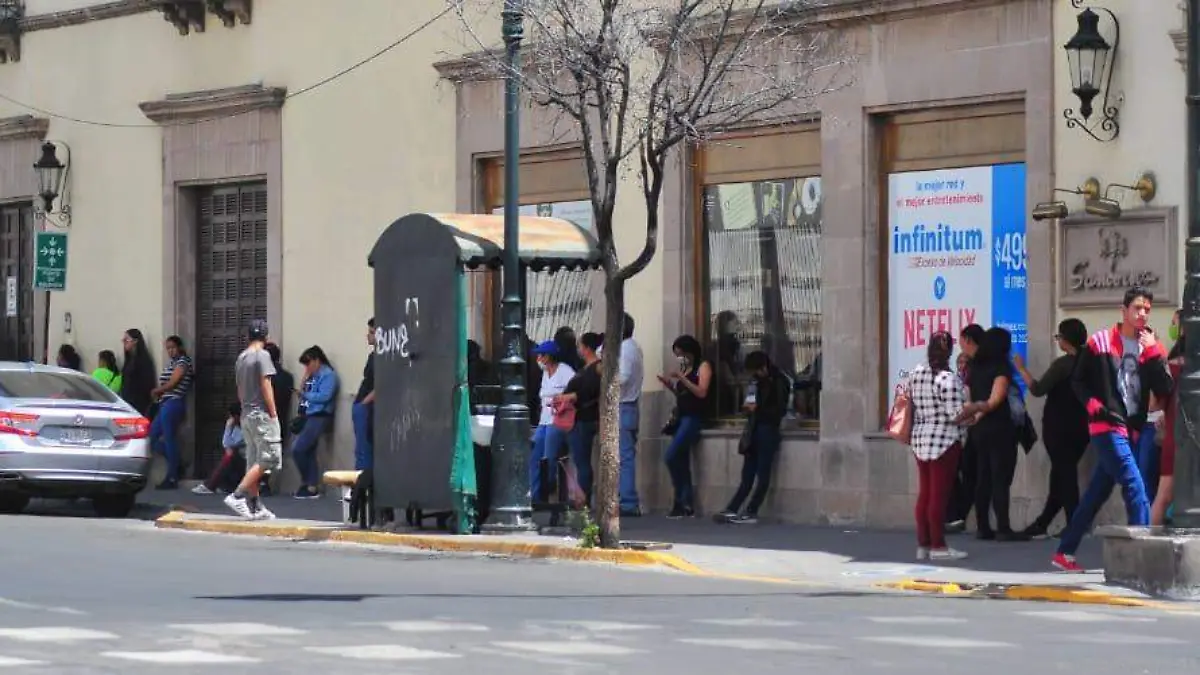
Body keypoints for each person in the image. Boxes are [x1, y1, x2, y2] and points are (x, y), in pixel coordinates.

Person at [1053, 286, 1172, 572]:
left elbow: (1165, 387)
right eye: (1137, 308)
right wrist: (1092, 404)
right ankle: (1143, 560)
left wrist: (1154, 350)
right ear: (1124, 310)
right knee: (1136, 487)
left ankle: (1064, 551)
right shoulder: (1100, 341)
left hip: (1131, 428)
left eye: (1147, 309)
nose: (1142, 314)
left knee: (1097, 493)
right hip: (1106, 426)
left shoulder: (1151, 345)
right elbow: (1078, 380)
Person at [1013, 318, 1090, 539]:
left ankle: (1075, 524)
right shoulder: (1091, 362)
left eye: (1059, 337)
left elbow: (1037, 389)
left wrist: (1021, 369)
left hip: (1059, 428)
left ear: (1066, 340)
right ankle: (1043, 522)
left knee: (1064, 475)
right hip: (1082, 429)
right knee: (1060, 475)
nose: (1058, 341)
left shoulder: (1062, 365)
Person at [905, 331, 969, 560]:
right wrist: (974, 408)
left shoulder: (916, 373)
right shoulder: (947, 379)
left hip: (920, 437)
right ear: (949, 352)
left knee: (925, 493)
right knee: (939, 496)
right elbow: (956, 415)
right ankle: (939, 546)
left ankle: (923, 544)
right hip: (944, 440)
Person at [959, 326, 1024, 541]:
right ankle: (1003, 527)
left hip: (980, 430)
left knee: (983, 477)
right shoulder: (1001, 368)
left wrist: (974, 414)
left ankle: (983, 526)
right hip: (1000, 428)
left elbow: (969, 395)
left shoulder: (975, 366)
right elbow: (995, 401)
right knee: (1000, 478)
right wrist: (979, 408)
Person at [719, 350, 790, 524]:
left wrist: (757, 409)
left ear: (764, 367)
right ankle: (732, 508)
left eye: (756, 371)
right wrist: (748, 409)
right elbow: (749, 405)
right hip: (753, 430)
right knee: (747, 473)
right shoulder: (755, 382)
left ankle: (751, 509)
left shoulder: (780, 381)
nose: (755, 375)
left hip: (767, 430)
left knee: (763, 473)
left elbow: (779, 411)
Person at [224, 320, 281, 521]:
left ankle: (256, 506)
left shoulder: (242, 357)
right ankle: (238, 495)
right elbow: (267, 385)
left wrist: (245, 408)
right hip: (261, 414)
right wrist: (273, 414)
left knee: (254, 460)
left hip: (247, 413)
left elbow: (240, 389)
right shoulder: (263, 356)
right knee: (269, 458)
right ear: (265, 337)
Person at [659, 334, 712, 519]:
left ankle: (682, 500)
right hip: (682, 416)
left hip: (693, 417)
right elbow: (683, 395)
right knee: (680, 460)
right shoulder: (687, 369)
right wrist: (671, 386)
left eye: (681, 354)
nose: (680, 358)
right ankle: (683, 503)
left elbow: (701, 392)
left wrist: (682, 377)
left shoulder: (702, 367)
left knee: (671, 456)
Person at [946, 323, 986, 533]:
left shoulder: (974, 375)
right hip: (961, 431)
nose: (962, 362)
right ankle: (958, 516)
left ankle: (962, 517)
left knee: (970, 476)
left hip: (968, 431)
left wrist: (975, 414)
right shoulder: (954, 379)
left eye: (965, 360)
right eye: (959, 360)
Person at [558, 332, 602, 504]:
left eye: (580, 346)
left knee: (582, 459)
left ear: (587, 348)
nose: (578, 349)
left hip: (585, 418)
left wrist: (571, 397)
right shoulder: (583, 368)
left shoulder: (598, 367)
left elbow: (592, 390)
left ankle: (583, 496)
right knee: (578, 458)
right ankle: (579, 495)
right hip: (576, 418)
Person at [529, 340, 574, 502]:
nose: (538, 358)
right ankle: (535, 496)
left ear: (550, 356)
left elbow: (574, 392)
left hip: (558, 420)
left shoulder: (565, 371)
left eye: (541, 355)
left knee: (549, 458)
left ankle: (548, 492)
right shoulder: (545, 373)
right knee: (535, 456)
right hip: (544, 421)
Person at [291, 346, 339, 499]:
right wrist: (305, 378)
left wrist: (305, 395)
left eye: (308, 363)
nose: (307, 367)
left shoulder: (328, 375)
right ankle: (311, 486)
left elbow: (325, 396)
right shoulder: (313, 374)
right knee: (309, 451)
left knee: (298, 449)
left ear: (317, 360)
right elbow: (303, 393)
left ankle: (308, 482)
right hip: (309, 414)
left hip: (320, 415)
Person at [1151, 309, 1185, 526]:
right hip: (1185, 436)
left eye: (1174, 323)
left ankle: (1148, 551)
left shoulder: (1171, 365)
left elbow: (1153, 403)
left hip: (1176, 438)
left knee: (1163, 497)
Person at [148, 335, 194, 489]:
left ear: (180, 347)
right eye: (168, 348)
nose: (170, 351)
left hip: (174, 402)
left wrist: (157, 390)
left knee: (169, 438)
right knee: (151, 438)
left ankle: (172, 477)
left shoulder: (183, 361)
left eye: (173, 347)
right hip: (164, 404)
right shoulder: (172, 363)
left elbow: (174, 382)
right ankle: (177, 463)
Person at [617, 312, 644, 516]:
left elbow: (623, 377)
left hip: (623, 404)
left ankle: (628, 501)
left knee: (624, 457)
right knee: (625, 456)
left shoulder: (625, 349)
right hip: (630, 405)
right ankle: (625, 499)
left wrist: (605, 377)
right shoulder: (633, 347)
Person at [192, 403, 247, 495]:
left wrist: (229, 427)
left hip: (247, 463)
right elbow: (225, 444)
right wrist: (229, 427)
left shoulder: (246, 427)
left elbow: (229, 444)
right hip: (237, 463)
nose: (231, 418)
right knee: (228, 454)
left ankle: (209, 486)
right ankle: (217, 485)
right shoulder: (234, 426)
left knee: (230, 454)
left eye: (232, 416)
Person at [262, 342, 293, 497]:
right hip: (281, 418)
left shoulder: (265, 377)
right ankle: (264, 482)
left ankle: (262, 483)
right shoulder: (287, 377)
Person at [352, 318, 377, 471]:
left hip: (367, 405)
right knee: (360, 447)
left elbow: (382, 384)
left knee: (364, 448)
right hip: (362, 404)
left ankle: (363, 483)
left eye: (372, 333)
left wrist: (364, 403)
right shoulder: (373, 356)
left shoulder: (383, 358)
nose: (368, 336)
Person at [119, 328, 156, 418]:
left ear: (135, 341)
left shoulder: (143, 361)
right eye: (123, 340)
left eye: (126, 339)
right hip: (127, 401)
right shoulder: (129, 360)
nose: (124, 342)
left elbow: (146, 384)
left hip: (138, 403)